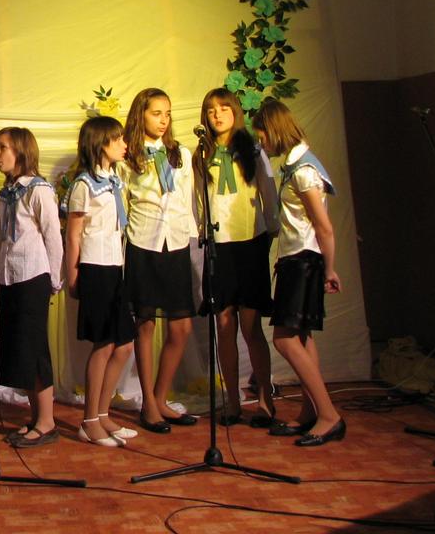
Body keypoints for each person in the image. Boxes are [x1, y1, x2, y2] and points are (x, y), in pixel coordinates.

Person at [251, 100, 345, 446]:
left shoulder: (304, 170)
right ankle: (310, 412)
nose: (261, 142)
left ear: (274, 129)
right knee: (303, 337)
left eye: (262, 134)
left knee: (284, 338)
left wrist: (329, 268)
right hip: (298, 259)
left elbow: (324, 227)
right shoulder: (296, 165)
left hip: (303, 260)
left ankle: (329, 415)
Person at [193, 88, 279, 428]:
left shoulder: (252, 149)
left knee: (250, 326)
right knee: (224, 325)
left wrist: (270, 231)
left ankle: (265, 399)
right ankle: (232, 401)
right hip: (219, 246)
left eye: (223, 108)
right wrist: (203, 231)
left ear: (235, 112)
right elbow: (199, 200)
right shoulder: (202, 154)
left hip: (250, 242)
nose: (217, 115)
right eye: (211, 109)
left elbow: (268, 193)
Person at [120, 88, 197, 434]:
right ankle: (148, 404)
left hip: (176, 243)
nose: (163, 120)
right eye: (156, 113)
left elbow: (187, 199)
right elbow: (123, 204)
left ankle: (161, 397)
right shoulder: (127, 157)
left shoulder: (181, 153)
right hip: (144, 242)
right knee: (146, 324)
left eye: (167, 113)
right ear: (141, 115)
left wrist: (192, 235)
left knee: (181, 327)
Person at [63, 116, 138, 447]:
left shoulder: (115, 180)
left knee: (124, 345)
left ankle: (103, 413)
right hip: (95, 268)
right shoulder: (83, 185)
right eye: (117, 139)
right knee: (104, 344)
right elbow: (73, 235)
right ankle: (89, 421)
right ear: (100, 143)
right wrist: (72, 275)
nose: (124, 144)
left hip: (115, 266)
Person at [0, 127, 63, 448]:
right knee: (22, 349)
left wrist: (55, 278)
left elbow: (53, 236)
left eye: (2, 148)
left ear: (21, 150)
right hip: (11, 277)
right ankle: (36, 418)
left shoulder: (39, 190)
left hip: (34, 276)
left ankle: (47, 422)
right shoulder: (6, 193)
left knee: (35, 349)